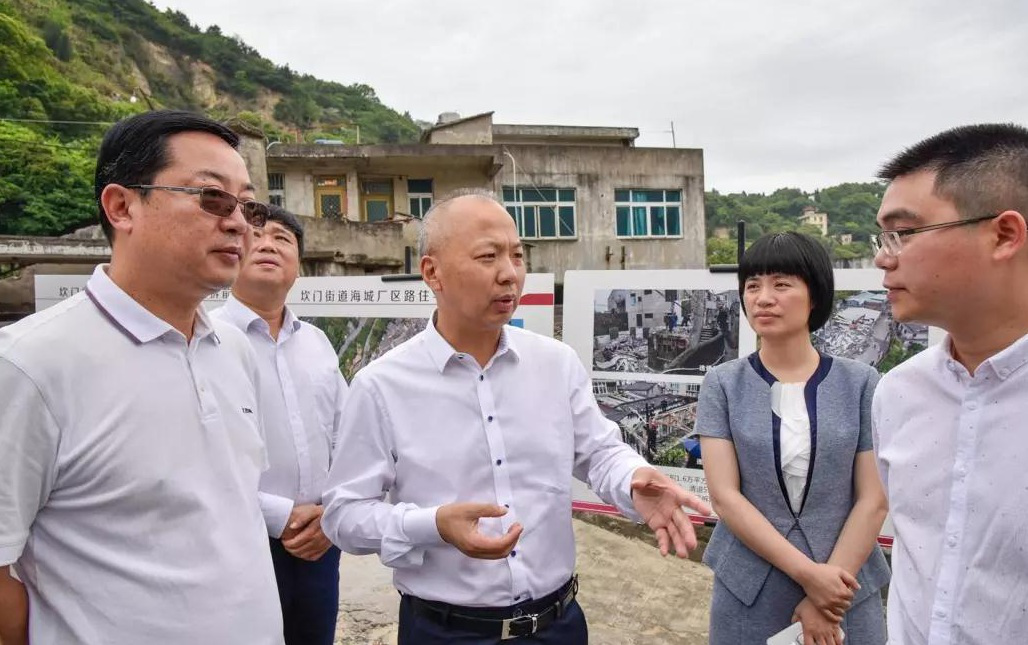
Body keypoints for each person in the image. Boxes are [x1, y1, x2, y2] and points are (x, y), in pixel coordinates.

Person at [321, 191, 711, 645]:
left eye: (517, 255)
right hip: (447, 632)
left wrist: (633, 480)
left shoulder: (556, 364)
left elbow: (600, 452)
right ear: (433, 272)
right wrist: (432, 525)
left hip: (559, 624)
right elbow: (344, 515)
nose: (509, 273)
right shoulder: (381, 385)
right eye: (488, 256)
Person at [0, 110, 283, 645]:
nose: (240, 223)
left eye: (249, 206)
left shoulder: (235, 349)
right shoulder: (28, 365)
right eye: (212, 198)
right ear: (122, 206)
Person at [871, 124, 1028, 644]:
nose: (882, 257)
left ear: (1004, 235)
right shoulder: (897, 393)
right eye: (881, 236)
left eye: (904, 233)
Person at [696, 232, 890, 645]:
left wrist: (826, 594)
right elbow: (725, 497)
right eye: (753, 286)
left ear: (815, 294)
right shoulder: (722, 384)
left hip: (846, 587)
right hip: (749, 588)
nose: (763, 297)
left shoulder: (861, 383)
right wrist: (810, 577)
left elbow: (873, 498)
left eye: (781, 284)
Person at [212, 205, 348, 645]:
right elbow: (196, 458)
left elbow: (347, 437)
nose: (268, 244)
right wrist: (280, 515)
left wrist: (333, 512)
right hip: (237, 539)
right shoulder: (203, 340)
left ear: (299, 265)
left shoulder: (317, 343)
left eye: (282, 238)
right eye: (256, 235)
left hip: (320, 540)